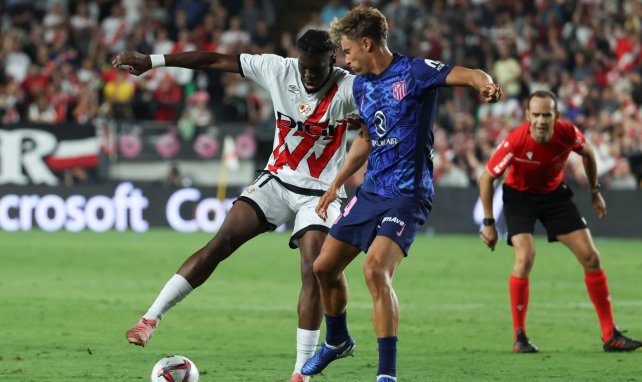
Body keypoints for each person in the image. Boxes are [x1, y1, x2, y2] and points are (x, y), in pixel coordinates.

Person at [112, 29, 358, 382]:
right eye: (304, 67)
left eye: (316, 69)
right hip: (276, 179)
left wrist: (363, 120)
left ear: (331, 61)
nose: (308, 75)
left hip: (320, 194)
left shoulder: (349, 87)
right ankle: (149, 319)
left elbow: (381, 113)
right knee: (221, 241)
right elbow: (214, 60)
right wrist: (153, 61)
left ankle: (300, 373)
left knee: (313, 268)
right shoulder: (278, 69)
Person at [300, 7, 503, 382]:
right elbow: (366, 139)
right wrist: (336, 183)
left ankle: (386, 374)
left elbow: (469, 74)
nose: (345, 60)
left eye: (347, 51)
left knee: (375, 270)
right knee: (323, 267)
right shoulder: (361, 86)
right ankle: (337, 341)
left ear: (367, 43)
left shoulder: (415, 72)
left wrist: (484, 84)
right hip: (372, 190)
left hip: (408, 194)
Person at [478, 90, 641, 353]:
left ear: (556, 116)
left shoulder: (567, 134)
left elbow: (588, 154)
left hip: (554, 196)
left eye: (547, 114)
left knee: (591, 257)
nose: (542, 120)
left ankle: (610, 335)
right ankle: (520, 337)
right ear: (528, 116)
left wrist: (595, 192)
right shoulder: (515, 142)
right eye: (537, 115)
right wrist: (488, 222)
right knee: (525, 257)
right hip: (519, 198)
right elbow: (486, 178)